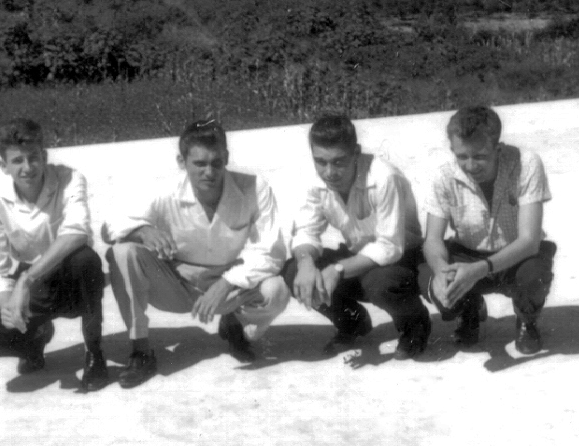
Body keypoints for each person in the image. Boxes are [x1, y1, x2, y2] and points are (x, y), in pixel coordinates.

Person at [105, 119, 290, 388]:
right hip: (177, 283)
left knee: (277, 290)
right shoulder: (164, 190)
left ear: (226, 158)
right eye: (199, 164)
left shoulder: (254, 187)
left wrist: (227, 283)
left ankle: (236, 325)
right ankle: (141, 350)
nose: (209, 172)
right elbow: (109, 227)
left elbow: (272, 252)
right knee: (123, 253)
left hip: (230, 284)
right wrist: (143, 231)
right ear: (182, 162)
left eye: (217, 162)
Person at [0, 119, 110, 391]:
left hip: (70, 279)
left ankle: (95, 354)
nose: (27, 168)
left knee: (86, 259)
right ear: (3, 166)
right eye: (17, 161)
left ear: (44, 156)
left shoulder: (69, 179)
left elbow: (77, 232)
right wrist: (11, 308)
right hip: (32, 285)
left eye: (33, 158)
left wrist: (26, 282)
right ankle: (34, 340)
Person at [284, 115, 431, 359]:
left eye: (338, 162)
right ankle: (352, 322)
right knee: (293, 271)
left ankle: (416, 325)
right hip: (358, 257)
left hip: (403, 260)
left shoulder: (384, 177)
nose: (329, 172)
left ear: (356, 152)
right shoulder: (316, 180)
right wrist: (306, 263)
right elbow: (306, 230)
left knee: (379, 283)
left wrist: (338, 270)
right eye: (320, 162)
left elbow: (390, 247)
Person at [422, 105, 555, 354]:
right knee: (427, 278)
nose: (470, 165)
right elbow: (432, 240)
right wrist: (441, 272)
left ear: (498, 147)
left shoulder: (526, 163)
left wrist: (479, 270)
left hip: (517, 255)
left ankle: (527, 320)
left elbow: (529, 240)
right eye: (462, 156)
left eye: (480, 156)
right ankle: (469, 310)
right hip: (468, 253)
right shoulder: (443, 175)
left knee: (534, 275)